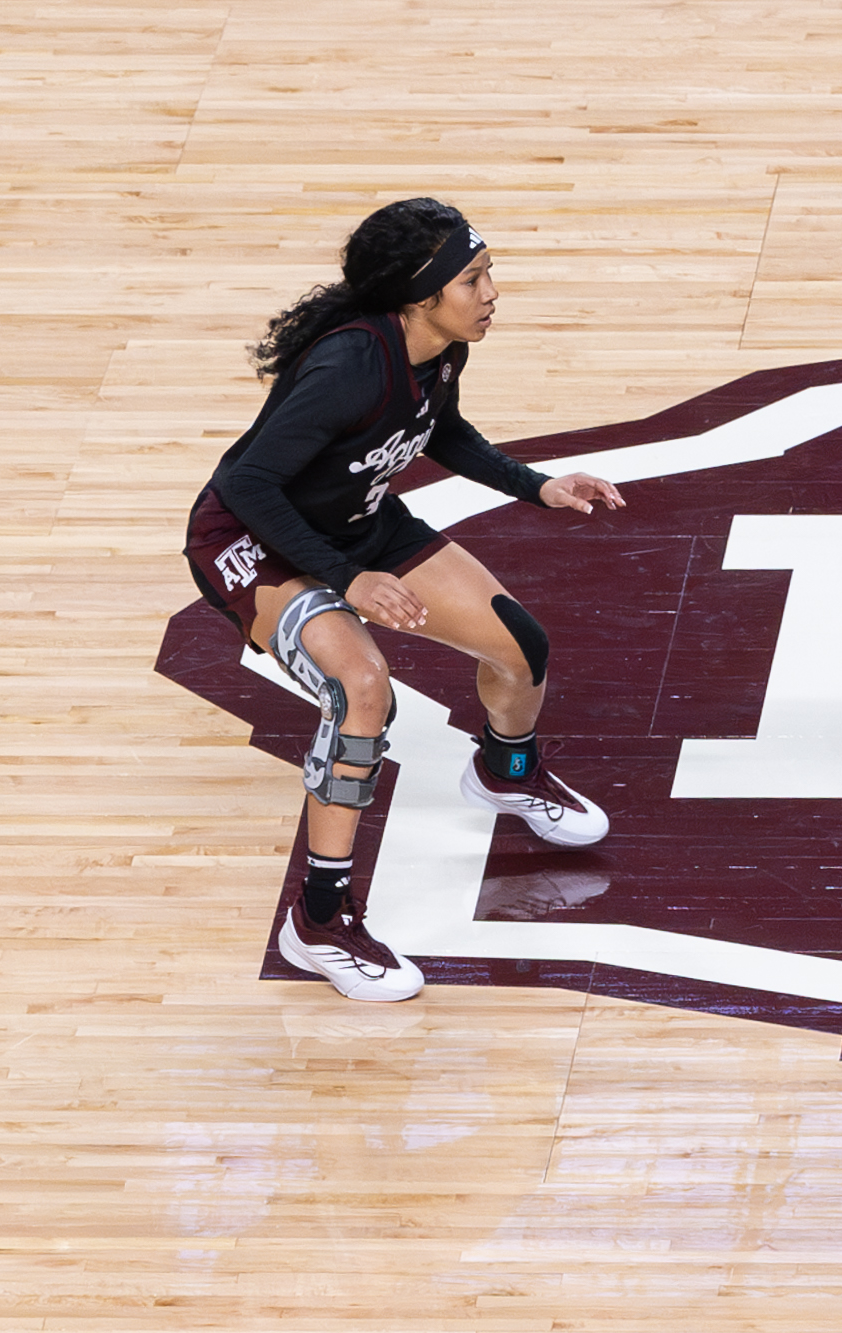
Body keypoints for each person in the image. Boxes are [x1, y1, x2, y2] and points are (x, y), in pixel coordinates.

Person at [185, 197, 622, 1002]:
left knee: (520, 645)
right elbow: (247, 483)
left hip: (354, 522)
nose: (492, 291)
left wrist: (539, 486)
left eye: (488, 271)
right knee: (362, 689)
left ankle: (506, 771)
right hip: (256, 540)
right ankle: (318, 921)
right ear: (420, 297)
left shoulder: (438, 348)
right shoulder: (348, 366)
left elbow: (440, 430)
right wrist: (346, 581)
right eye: (473, 278)